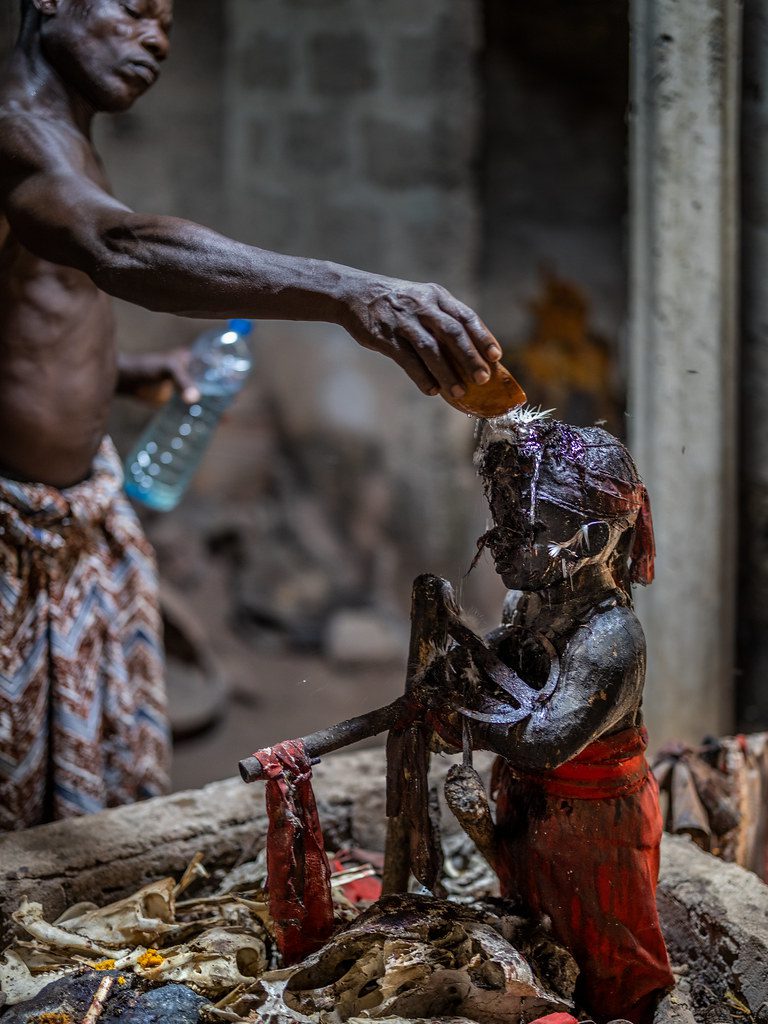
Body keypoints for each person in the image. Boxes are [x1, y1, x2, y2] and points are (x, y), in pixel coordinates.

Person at [0, 0, 503, 831]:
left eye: (167, 20)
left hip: (76, 527)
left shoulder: (67, 143)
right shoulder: (17, 135)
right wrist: (351, 293)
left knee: (75, 810)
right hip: (18, 537)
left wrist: (127, 373)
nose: (155, 37)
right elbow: (117, 248)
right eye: (132, 8)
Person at [472, 413, 674, 1023]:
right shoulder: (524, 600)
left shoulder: (611, 636)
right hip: (533, 804)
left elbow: (547, 738)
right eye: (502, 522)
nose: (503, 542)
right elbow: (505, 668)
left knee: (606, 940)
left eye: (526, 527)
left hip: (596, 826)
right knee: (538, 916)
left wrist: (468, 717)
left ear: (590, 540)